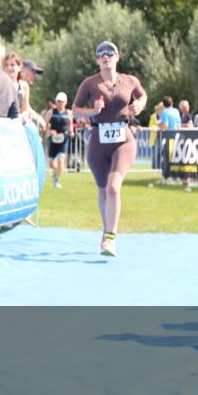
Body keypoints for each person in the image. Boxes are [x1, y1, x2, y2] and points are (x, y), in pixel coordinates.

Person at [72, 41, 147, 257]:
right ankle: (107, 233)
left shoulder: (129, 80)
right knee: (103, 190)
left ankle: (110, 237)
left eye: (110, 53)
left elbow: (142, 95)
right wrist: (92, 111)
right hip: (97, 141)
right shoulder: (89, 83)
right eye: (101, 54)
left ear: (117, 57)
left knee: (114, 187)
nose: (106, 57)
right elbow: (75, 111)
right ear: (97, 60)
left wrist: (140, 105)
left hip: (123, 140)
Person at [46, 92, 74, 188]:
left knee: (61, 160)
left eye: (62, 102)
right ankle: (56, 173)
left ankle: (57, 181)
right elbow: (46, 125)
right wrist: (50, 131)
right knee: (51, 163)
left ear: (66, 102)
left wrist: (71, 131)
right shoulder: (51, 112)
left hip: (64, 139)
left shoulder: (69, 113)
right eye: (58, 101)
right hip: (53, 139)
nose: (60, 103)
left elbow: (70, 125)